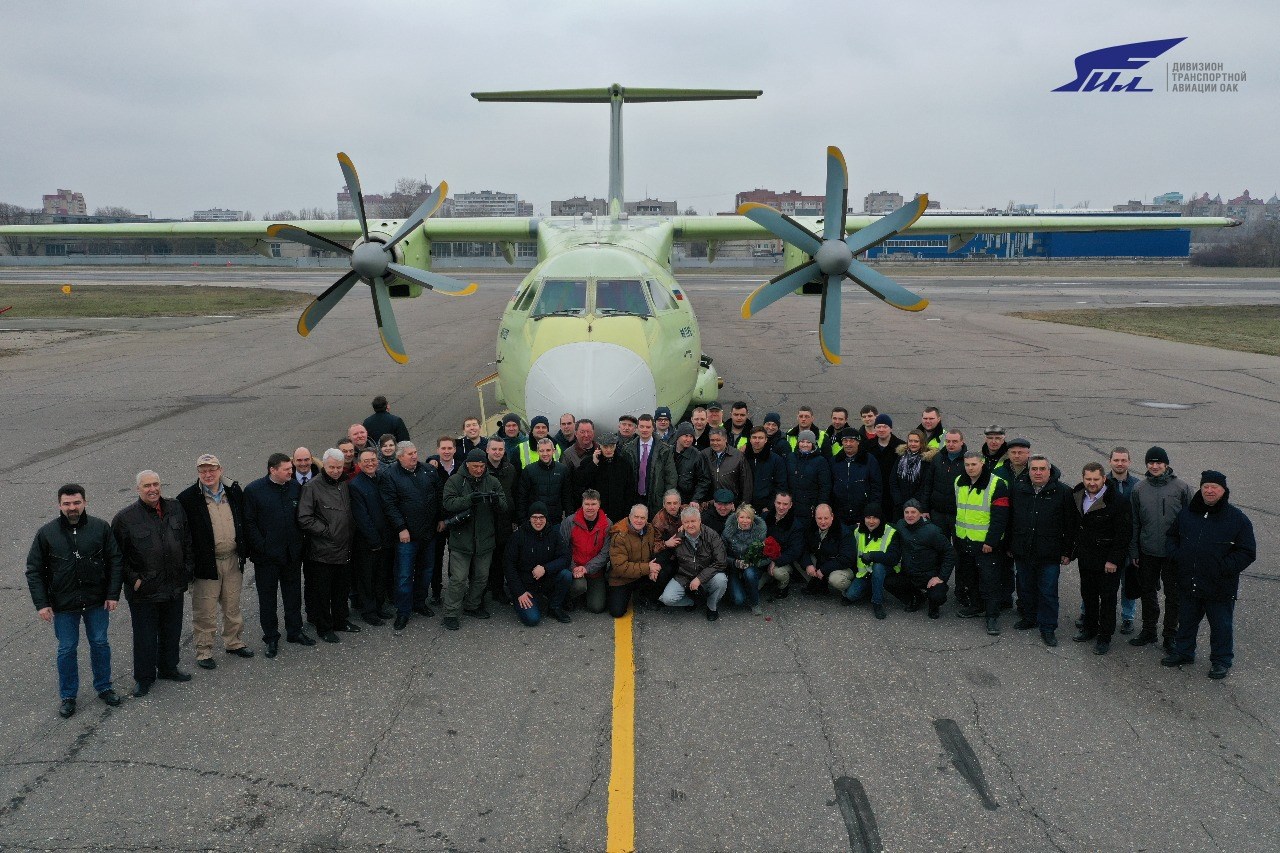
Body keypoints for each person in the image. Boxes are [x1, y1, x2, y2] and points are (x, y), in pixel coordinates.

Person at [26, 484, 124, 717]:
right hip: (63, 604)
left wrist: (112, 594)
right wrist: (42, 604)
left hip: (96, 601)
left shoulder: (100, 528)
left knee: (100, 643)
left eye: (76, 503)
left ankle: (104, 687)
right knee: (67, 649)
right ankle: (68, 696)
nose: (72, 507)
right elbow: (34, 570)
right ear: (59, 505)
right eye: (67, 503)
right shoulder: (46, 533)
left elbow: (115, 561)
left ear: (85, 503)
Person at [1161, 471, 1256, 679]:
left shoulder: (1237, 519)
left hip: (1219, 586)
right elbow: (1172, 537)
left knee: (1221, 626)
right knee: (1186, 621)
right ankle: (1184, 652)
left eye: (1215, 487)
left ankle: (1221, 661)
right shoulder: (1188, 513)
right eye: (1206, 487)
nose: (1210, 490)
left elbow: (1247, 552)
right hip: (1190, 581)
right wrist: (1178, 557)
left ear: (1223, 491)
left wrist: (1223, 567)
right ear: (1201, 489)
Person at [112, 470, 195, 697]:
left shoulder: (175, 508)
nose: (152, 489)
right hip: (145, 590)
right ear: (138, 489)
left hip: (173, 585)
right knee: (145, 637)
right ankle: (144, 678)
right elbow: (116, 557)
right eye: (147, 485)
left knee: (172, 631)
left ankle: (169, 668)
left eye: (156, 484)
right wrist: (135, 581)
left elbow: (187, 540)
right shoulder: (125, 518)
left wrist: (187, 570)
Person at [177, 454, 252, 670]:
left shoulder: (233, 491)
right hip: (205, 565)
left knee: (232, 606)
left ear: (220, 469)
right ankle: (204, 651)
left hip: (232, 559)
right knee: (205, 611)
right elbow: (183, 535)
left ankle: (234, 642)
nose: (208, 474)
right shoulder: (187, 498)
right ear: (198, 473)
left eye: (212, 470)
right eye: (203, 471)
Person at [243, 453, 311, 657]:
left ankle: (295, 631)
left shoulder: (294, 487)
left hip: (291, 554)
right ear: (272, 470)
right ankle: (271, 638)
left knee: (293, 595)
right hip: (267, 558)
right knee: (268, 600)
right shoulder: (254, 491)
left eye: (291, 469)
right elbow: (249, 523)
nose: (292, 472)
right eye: (287, 469)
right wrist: (262, 547)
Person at [1128, 446, 1194, 652]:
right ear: (1146, 464)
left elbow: (1190, 522)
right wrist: (1134, 551)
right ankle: (1148, 630)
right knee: (1148, 592)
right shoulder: (1139, 489)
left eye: (1159, 462)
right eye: (1151, 462)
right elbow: (1135, 523)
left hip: (1173, 553)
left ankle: (1170, 635)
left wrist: (1186, 551)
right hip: (1147, 552)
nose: (1155, 466)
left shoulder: (1181, 488)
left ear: (1166, 464)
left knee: (1173, 596)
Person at [1007, 455, 1075, 647]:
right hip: (1023, 549)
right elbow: (1010, 519)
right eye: (1034, 469)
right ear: (1028, 471)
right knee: (1025, 587)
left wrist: (1067, 551)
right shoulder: (1019, 489)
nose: (1038, 472)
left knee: (1048, 592)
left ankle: (1048, 627)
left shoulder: (1063, 492)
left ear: (1049, 470)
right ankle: (1030, 618)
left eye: (1042, 469)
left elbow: (1070, 525)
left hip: (1050, 553)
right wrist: (1011, 546)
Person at [439, 449, 508, 631]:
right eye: (475, 466)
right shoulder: (455, 480)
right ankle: (451, 613)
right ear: (467, 465)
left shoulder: (492, 481)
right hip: (462, 540)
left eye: (481, 466)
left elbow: (504, 505)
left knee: (481, 577)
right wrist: (469, 500)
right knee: (459, 579)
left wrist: (495, 501)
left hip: (485, 540)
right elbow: (447, 503)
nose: (479, 470)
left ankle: (472, 605)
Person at [1070, 462, 1132, 655]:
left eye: (1096, 479)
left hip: (1108, 562)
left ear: (1104, 479)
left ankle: (1104, 638)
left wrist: (1113, 560)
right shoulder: (1077, 495)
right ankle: (1089, 629)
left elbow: (1124, 534)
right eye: (1088, 479)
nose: (1092, 482)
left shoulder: (1118, 501)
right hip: (1086, 558)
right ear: (1083, 479)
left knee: (1107, 600)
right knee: (1088, 596)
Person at [297, 449, 358, 644]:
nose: (335, 471)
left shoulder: (343, 484)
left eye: (339, 467)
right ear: (324, 465)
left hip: (345, 548)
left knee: (341, 590)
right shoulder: (312, 487)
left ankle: (341, 621)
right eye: (331, 467)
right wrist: (327, 531)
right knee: (322, 593)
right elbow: (304, 518)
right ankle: (324, 627)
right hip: (323, 551)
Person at [1077, 448, 1140, 633]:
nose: (1120, 463)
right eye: (1116, 460)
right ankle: (1088, 618)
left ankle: (1126, 618)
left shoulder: (1136, 486)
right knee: (1090, 590)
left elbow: (1129, 525)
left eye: (1123, 460)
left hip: (1122, 547)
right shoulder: (1084, 493)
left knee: (1124, 586)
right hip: (1094, 552)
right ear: (1110, 461)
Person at [379, 440, 440, 630]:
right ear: (399, 457)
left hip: (429, 533)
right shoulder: (390, 475)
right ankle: (403, 611)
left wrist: (439, 519)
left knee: (426, 571)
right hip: (407, 537)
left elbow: (438, 496)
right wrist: (401, 528)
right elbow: (389, 505)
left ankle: (419, 603)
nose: (414, 456)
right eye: (409, 454)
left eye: (415, 452)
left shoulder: (428, 471)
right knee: (404, 575)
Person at [953, 452, 1011, 637]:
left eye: (974, 464)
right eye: (967, 464)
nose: (970, 468)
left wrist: (991, 541)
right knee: (970, 577)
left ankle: (992, 616)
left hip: (986, 544)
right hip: (965, 539)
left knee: (990, 581)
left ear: (982, 463)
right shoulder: (958, 482)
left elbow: (1000, 518)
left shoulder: (997, 484)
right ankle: (976, 606)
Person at [506, 502, 573, 626]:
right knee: (532, 619)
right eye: (534, 517)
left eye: (541, 517)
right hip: (525, 586)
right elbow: (509, 566)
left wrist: (545, 568)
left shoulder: (554, 534)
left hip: (546, 580)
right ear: (529, 518)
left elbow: (565, 558)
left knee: (566, 575)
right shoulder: (518, 536)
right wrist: (519, 592)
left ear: (546, 518)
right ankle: (522, 601)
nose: (538, 521)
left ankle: (554, 607)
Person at [885, 500, 954, 619]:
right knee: (889, 582)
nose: (909, 515)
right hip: (909, 573)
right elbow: (887, 527)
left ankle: (933, 605)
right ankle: (917, 597)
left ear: (921, 514)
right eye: (906, 512)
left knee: (938, 595)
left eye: (913, 512)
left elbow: (950, 553)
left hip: (930, 576)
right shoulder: (901, 525)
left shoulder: (933, 531)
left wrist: (941, 577)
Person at [829, 504, 900, 618]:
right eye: (868, 517)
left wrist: (872, 556)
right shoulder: (857, 530)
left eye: (875, 517)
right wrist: (828, 519)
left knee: (878, 566)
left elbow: (893, 558)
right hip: (864, 573)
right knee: (851, 595)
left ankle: (877, 602)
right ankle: (869, 588)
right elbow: (841, 530)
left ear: (880, 518)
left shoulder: (891, 532)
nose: (871, 521)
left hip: (885, 570)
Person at [349, 448, 395, 625]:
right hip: (367, 542)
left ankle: (379, 606)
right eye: (366, 461)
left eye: (373, 460)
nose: (370, 463)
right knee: (367, 578)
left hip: (385, 539)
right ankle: (369, 611)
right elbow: (362, 517)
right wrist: (374, 540)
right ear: (359, 464)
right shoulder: (356, 486)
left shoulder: (381, 479)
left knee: (381, 576)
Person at [663, 506, 730, 620]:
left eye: (693, 521)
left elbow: (721, 562)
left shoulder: (712, 535)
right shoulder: (677, 537)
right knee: (667, 599)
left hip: (707, 575)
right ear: (682, 523)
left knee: (721, 580)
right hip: (684, 576)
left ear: (699, 521)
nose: (690, 525)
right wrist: (665, 544)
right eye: (686, 522)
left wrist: (699, 578)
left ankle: (711, 606)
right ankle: (693, 601)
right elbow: (666, 556)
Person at [560, 489, 611, 613]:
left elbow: (605, 553)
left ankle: (587, 592)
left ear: (599, 505)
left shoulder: (607, 524)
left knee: (597, 607)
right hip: (575, 569)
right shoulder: (570, 522)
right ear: (582, 504)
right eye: (587, 504)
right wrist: (573, 568)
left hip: (594, 571)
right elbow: (563, 548)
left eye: (593, 504)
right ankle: (567, 597)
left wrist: (587, 568)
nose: (590, 507)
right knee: (579, 586)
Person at [425, 436, 461, 605]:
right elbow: (431, 496)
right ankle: (436, 591)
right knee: (436, 557)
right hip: (438, 522)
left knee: (455, 556)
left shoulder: (461, 467)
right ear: (437, 450)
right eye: (443, 448)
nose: (446, 451)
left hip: (456, 520)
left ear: (455, 449)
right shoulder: (430, 468)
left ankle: (454, 590)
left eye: (450, 448)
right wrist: (440, 519)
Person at [608, 504, 660, 617]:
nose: (639, 521)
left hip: (642, 575)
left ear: (647, 519)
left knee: (664, 570)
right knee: (617, 612)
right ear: (630, 517)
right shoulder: (620, 536)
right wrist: (648, 568)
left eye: (643, 518)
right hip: (622, 579)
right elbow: (620, 568)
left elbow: (655, 550)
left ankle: (646, 596)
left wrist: (654, 569)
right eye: (636, 517)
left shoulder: (650, 530)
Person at [484, 436, 519, 604]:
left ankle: (498, 590)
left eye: (500, 449)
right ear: (487, 450)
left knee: (501, 556)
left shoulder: (510, 469)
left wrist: (514, 519)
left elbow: (514, 493)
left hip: (504, 520)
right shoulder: (480, 468)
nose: (497, 452)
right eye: (494, 449)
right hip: (486, 520)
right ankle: (483, 589)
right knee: (484, 557)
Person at [625, 414, 677, 515]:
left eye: (648, 427)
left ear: (653, 428)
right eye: (642, 426)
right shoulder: (627, 449)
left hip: (656, 499)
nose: (645, 430)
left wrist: (666, 499)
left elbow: (671, 477)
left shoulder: (665, 449)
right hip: (634, 498)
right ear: (637, 428)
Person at [828, 429, 882, 527]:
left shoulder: (869, 460)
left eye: (852, 440)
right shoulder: (834, 461)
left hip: (862, 513)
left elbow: (876, 487)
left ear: (858, 442)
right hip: (840, 513)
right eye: (845, 441)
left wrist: (872, 509)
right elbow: (829, 486)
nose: (848, 444)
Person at [722, 503, 768, 614]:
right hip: (734, 567)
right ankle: (739, 589)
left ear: (752, 518)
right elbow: (720, 554)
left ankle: (755, 603)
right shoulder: (727, 532)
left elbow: (768, 556)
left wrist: (754, 562)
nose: (745, 521)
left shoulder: (760, 532)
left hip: (752, 567)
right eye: (742, 517)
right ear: (737, 518)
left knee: (750, 574)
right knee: (739, 600)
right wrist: (734, 562)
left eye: (748, 517)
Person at [801, 503, 855, 596]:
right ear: (815, 517)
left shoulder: (844, 532)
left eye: (826, 518)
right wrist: (808, 564)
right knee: (799, 557)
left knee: (835, 579)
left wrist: (824, 570)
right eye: (819, 518)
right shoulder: (811, 528)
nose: (822, 522)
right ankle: (819, 583)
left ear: (832, 516)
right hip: (822, 562)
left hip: (842, 567)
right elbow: (803, 547)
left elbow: (847, 559)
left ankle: (852, 590)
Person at [518, 437, 574, 523]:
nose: (545, 454)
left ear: (553, 451)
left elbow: (567, 496)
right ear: (537, 452)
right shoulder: (529, 470)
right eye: (541, 451)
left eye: (548, 450)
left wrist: (569, 517)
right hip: (535, 520)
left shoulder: (562, 470)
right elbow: (522, 497)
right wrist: (523, 521)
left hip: (555, 519)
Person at [763, 491, 807, 598]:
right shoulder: (765, 517)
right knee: (756, 586)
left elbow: (795, 551)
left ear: (790, 505)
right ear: (774, 502)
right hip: (764, 559)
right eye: (778, 503)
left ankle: (783, 586)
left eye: (785, 504)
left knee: (778, 572)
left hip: (783, 561)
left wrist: (776, 561)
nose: (781, 507)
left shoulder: (796, 525)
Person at [702, 427, 752, 506]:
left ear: (725, 439)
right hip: (709, 504)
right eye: (712, 440)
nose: (715, 443)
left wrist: (745, 504)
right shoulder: (704, 455)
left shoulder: (738, 456)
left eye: (718, 440)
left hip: (732, 504)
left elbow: (746, 483)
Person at [742, 426, 788, 513]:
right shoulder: (742, 458)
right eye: (754, 437)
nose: (757, 440)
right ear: (750, 439)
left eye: (760, 438)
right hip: (745, 508)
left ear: (766, 440)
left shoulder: (776, 460)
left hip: (765, 509)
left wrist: (770, 506)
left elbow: (781, 485)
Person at [785, 430, 830, 518]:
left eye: (808, 442)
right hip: (791, 505)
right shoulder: (791, 457)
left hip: (810, 506)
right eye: (802, 441)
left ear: (813, 444)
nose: (804, 444)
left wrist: (820, 505)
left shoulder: (821, 461)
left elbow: (825, 486)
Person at [891, 429, 934, 518]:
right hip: (899, 505)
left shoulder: (926, 461)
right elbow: (893, 480)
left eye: (916, 441)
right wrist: (898, 500)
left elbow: (925, 485)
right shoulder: (900, 457)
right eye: (910, 441)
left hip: (917, 506)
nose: (913, 444)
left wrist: (913, 503)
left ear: (922, 443)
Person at [867, 414, 905, 511]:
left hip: (894, 495)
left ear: (891, 429)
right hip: (873, 494)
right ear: (875, 429)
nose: (881, 429)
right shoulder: (867, 446)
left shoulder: (901, 447)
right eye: (878, 427)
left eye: (885, 426)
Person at [672, 423, 711, 506]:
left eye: (691, 436)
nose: (689, 439)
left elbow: (704, 480)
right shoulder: (668, 452)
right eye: (686, 436)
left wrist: (696, 499)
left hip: (688, 501)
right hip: (670, 500)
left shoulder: (697, 455)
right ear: (678, 436)